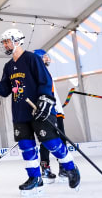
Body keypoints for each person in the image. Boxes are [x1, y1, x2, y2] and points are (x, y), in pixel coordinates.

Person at [0, 29, 80, 195]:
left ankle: (70, 167)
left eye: (7, 41)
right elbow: (5, 90)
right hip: (20, 113)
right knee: (26, 146)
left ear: (17, 41)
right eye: (3, 42)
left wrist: (45, 100)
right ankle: (35, 178)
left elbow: (45, 81)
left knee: (51, 142)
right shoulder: (8, 66)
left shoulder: (32, 59)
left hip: (38, 111)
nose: (5, 45)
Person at [32, 49, 67, 183]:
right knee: (46, 141)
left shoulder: (46, 72)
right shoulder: (37, 74)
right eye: (44, 57)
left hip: (56, 111)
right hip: (48, 112)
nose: (47, 59)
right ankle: (45, 168)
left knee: (61, 141)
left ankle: (63, 167)